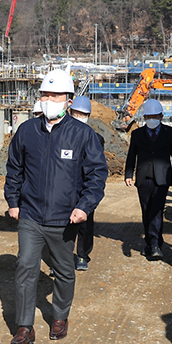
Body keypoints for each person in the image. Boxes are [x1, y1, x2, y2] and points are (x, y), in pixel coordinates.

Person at [4, 69, 107, 344]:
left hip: (65, 219)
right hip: (31, 216)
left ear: (69, 100)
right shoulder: (27, 131)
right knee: (25, 266)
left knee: (63, 270)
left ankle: (60, 316)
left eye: (56, 95)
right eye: (45, 95)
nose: (49, 100)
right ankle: (24, 326)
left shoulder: (83, 135)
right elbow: (14, 169)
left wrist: (84, 207)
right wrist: (13, 202)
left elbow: (97, 175)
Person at [124, 99, 172, 259]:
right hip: (143, 178)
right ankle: (150, 242)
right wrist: (129, 174)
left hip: (162, 178)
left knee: (156, 210)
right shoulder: (137, 134)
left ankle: (155, 244)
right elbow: (131, 156)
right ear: (145, 117)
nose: (152, 119)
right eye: (149, 116)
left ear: (161, 116)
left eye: (155, 116)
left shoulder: (169, 133)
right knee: (146, 211)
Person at [69, 96, 105, 272]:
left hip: (85, 187)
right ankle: (61, 258)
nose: (79, 116)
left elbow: (96, 167)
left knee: (86, 223)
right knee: (63, 224)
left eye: (83, 114)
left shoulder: (96, 138)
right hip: (66, 187)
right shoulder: (61, 134)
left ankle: (83, 255)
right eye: (76, 113)